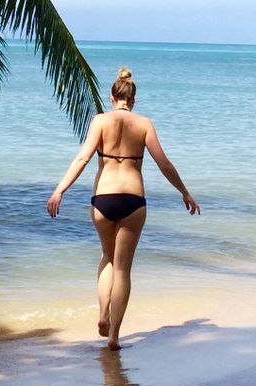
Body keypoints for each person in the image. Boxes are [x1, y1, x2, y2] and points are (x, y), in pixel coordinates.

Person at [46, 67, 200, 350]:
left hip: (103, 200)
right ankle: (114, 335)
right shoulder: (144, 124)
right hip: (133, 201)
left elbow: (82, 159)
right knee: (123, 268)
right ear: (134, 99)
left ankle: (102, 314)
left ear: (112, 96)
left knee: (107, 257)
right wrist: (184, 192)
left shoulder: (99, 121)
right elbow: (164, 163)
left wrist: (60, 190)